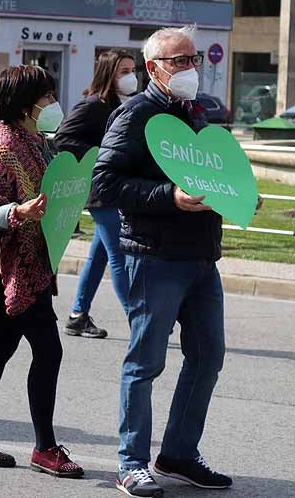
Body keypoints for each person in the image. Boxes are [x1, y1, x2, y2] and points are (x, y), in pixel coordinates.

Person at [93, 26, 253, 496]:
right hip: (155, 256)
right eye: (178, 60)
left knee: (208, 357)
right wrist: (169, 197)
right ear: (153, 68)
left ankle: (179, 454)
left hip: (202, 257)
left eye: (193, 58)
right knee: (145, 362)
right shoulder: (134, 114)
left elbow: (211, 174)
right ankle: (131, 462)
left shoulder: (195, 112)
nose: (189, 68)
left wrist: (238, 197)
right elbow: (103, 184)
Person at [0, 65, 84, 480]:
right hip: (14, 274)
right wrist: (17, 213)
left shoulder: (35, 141)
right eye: (46, 98)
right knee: (49, 350)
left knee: (3, 346)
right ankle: (45, 448)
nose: (52, 104)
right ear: (25, 106)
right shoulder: (1, 151)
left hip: (31, 268)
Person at [53, 50, 138, 339]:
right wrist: (101, 155)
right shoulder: (92, 105)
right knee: (119, 254)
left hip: (116, 189)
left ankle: (77, 315)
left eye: (132, 69)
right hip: (100, 190)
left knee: (99, 255)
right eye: (123, 71)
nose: (131, 76)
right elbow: (61, 138)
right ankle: (137, 317)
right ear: (108, 74)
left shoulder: (123, 104)